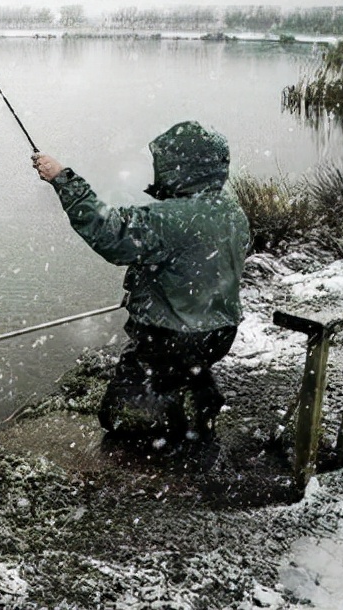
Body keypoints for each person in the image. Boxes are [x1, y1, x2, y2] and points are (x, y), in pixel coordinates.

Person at [32, 121, 250, 450]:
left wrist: (63, 179)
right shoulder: (231, 211)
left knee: (119, 416)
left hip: (170, 339)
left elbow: (110, 233)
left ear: (180, 169)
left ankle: (172, 425)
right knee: (186, 366)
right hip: (220, 334)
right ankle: (198, 394)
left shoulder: (168, 218)